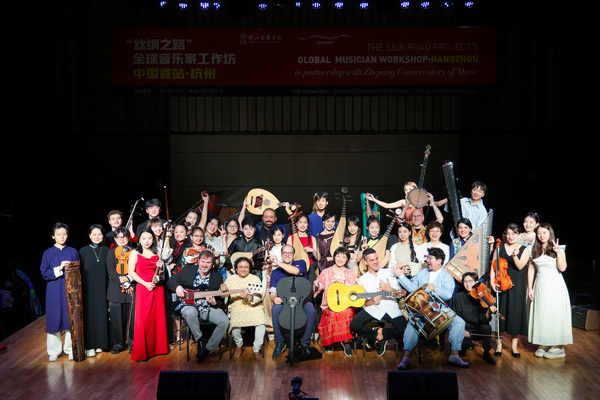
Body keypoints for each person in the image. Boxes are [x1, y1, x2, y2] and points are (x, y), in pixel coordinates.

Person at [392, 247, 469, 369]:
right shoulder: (422, 273)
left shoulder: (447, 276)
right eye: (427, 258)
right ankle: (406, 357)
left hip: (440, 310)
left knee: (459, 322)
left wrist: (434, 288)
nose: (427, 261)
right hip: (422, 310)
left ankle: (454, 355)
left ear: (439, 261)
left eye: (430, 258)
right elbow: (412, 288)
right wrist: (401, 276)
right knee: (412, 324)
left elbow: (448, 295)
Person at [168, 249, 229, 363]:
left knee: (224, 321)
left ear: (212, 264)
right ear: (198, 261)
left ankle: (206, 349)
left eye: (208, 262)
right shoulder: (188, 270)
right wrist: (178, 287)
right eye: (203, 262)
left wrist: (214, 303)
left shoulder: (217, 277)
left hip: (207, 306)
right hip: (188, 304)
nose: (205, 265)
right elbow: (171, 280)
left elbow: (220, 301)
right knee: (190, 312)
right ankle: (200, 340)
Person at [350, 248, 408, 357]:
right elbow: (363, 304)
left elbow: (400, 294)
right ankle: (376, 336)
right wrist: (371, 301)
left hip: (390, 307)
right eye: (372, 260)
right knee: (354, 325)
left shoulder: (388, 273)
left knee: (405, 330)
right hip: (373, 309)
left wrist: (390, 290)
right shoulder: (362, 280)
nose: (376, 262)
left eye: (376, 259)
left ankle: (382, 333)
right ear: (365, 262)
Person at [528, 222, 572, 359]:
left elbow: (563, 268)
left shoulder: (558, 248)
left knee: (555, 314)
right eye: (539, 233)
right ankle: (543, 342)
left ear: (550, 233)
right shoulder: (534, 249)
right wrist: (530, 288)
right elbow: (531, 269)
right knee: (542, 314)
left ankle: (557, 346)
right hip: (540, 286)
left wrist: (558, 253)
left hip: (556, 285)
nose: (541, 236)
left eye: (544, 233)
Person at [40, 222, 79, 362]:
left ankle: (70, 349)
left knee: (69, 319)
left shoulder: (73, 251)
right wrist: (59, 268)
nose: (62, 237)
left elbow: (79, 269)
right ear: (53, 236)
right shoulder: (48, 253)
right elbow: (44, 273)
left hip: (70, 288)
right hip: (54, 290)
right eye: (58, 234)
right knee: (54, 319)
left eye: (64, 234)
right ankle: (54, 351)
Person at [127, 229, 169, 361]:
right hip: (143, 288)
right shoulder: (135, 253)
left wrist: (161, 267)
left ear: (153, 239)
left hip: (157, 289)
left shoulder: (157, 253)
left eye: (149, 238)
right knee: (143, 320)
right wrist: (145, 284)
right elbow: (131, 272)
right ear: (139, 239)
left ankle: (159, 349)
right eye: (144, 238)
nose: (147, 241)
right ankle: (142, 352)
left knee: (157, 319)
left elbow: (161, 274)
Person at [490, 223, 529, 358]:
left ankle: (514, 346)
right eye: (508, 234)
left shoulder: (524, 249)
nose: (511, 236)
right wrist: (492, 282)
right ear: (505, 235)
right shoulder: (499, 247)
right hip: (500, 285)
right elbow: (493, 267)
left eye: (514, 234)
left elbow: (520, 266)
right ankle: (499, 345)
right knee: (499, 315)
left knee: (515, 315)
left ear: (519, 235)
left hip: (516, 286)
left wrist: (514, 256)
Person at [269, 245, 315, 359]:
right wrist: (274, 298)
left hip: (302, 300)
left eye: (290, 253)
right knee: (275, 309)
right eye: (284, 253)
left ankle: (305, 342)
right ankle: (280, 342)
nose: (287, 255)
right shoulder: (275, 273)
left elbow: (295, 271)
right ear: (281, 255)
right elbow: (272, 292)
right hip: (284, 301)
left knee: (310, 309)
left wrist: (277, 262)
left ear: (294, 255)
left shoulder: (301, 263)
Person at [313, 247, 356, 356]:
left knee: (346, 314)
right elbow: (320, 286)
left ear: (347, 259)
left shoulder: (349, 274)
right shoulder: (326, 272)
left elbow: (354, 290)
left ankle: (346, 342)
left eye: (343, 257)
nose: (340, 259)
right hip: (329, 304)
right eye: (338, 256)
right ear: (334, 257)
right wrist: (317, 285)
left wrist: (343, 284)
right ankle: (329, 341)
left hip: (345, 305)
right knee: (331, 315)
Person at [224, 257, 266, 361]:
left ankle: (256, 349)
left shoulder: (255, 279)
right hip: (237, 305)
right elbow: (223, 295)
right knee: (235, 323)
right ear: (236, 269)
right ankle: (239, 344)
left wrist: (249, 297)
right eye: (241, 267)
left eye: (246, 267)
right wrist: (222, 288)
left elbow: (258, 296)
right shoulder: (230, 279)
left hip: (253, 306)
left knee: (261, 323)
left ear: (249, 268)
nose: (243, 269)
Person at [452, 272, 497, 365]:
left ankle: (486, 352)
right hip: (465, 329)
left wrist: (489, 311)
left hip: (478, 328)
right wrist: (462, 330)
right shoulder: (459, 297)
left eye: (470, 281)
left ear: (476, 282)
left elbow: (484, 320)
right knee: (465, 347)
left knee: (486, 328)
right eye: (465, 282)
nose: (468, 284)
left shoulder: (481, 297)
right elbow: (456, 317)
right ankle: (465, 346)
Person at [79, 223, 110, 357]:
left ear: (103, 236)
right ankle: (89, 345)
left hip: (104, 287)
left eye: (100, 234)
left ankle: (101, 343)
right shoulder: (83, 251)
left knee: (102, 315)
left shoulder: (107, 251)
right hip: (88, 288)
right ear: (89, 236)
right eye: (94, 234)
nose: (97, 237)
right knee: (89, 316)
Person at [106, 227, 135, 354]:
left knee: (131, 319)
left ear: (128, 238)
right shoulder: (111, 253)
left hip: (131, 289)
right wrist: (122, 281)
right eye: (119, 237)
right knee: (116, 319)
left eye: (124, 237)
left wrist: (128, 282)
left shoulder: (133, 251)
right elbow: (111, 271)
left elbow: (136, 269)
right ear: (115, 239)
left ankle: (133, 344)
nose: (122, 239)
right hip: (115, 290)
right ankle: (118, 344)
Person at [286, 212, 318, 282]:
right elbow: (287, 255)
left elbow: (318, 258)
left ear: (308, 224)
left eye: (305, 222)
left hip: (310, 268)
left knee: (309, 288)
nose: (302, 225)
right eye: (300, 222)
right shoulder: (291, 238)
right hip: (294, 267)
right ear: (296, 224)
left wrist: (313, 251)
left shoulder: (312, 238)